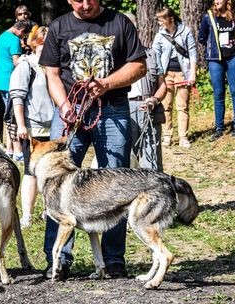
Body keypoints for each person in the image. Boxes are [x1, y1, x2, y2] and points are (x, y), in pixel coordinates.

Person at [40, 0, 146, 279]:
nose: (85, 4)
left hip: (111, 110)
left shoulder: (120, 22)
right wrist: (64, 107)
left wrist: (106, 84)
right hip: (68, 111)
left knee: (115, 183)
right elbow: (51, 73)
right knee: (55, 183)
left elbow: (139, 66)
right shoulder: (59, 26)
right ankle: (58, 259)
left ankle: (113, 260)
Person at [10, 26, 53, 228]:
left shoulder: (55, 65)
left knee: (51, 171)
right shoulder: (27, 65)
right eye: (43, 43)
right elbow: (17, 97)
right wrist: (21, 125)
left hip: (55, 126)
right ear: (34, 43)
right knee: (31, 171)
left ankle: (49, 211)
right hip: (32, 128)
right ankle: (27, 214)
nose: (46, 48)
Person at [123, 12, 167, 171]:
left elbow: (162, 85)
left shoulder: (152, 54)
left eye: (131, 27)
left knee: (153, 163)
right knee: (126, 165)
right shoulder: (114, 58)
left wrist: (154, 100)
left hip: (149, 109)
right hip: (124, 111)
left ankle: (156, 195)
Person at [152, 6, 197, 148]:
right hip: (166, 74)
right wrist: (159, 74)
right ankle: (167, 136)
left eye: (161, 19)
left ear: (170, 18)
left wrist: (193, 74)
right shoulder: (160, 34)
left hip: (183, 73)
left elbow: (193, 53)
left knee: (182, 106)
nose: (159, 22)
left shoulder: (186, 31)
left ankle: (183, 136)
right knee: (166, 105)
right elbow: (155, 53)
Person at [199, 0, 235, 140]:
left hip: (233, 58)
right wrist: (213, 45)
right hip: (215, 60)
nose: (217, 1)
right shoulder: (209, 16)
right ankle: (219, 128)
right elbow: (202, 37)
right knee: (218, 93)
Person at [0, 20, 30, 160]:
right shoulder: (14, 39)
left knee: (9, 116)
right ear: (21, 31)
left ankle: (9, 149)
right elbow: (16, 62)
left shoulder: (2, 36)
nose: (22, 39)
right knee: (13, 118)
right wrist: (26, 58)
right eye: (23, 35)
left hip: (0, 82)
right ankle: (18, 151)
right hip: (11, 82)